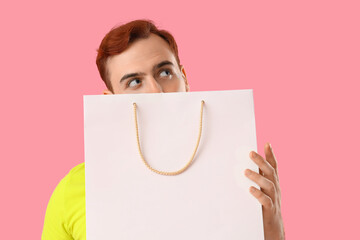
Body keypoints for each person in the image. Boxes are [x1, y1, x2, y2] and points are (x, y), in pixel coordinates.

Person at [42, 19, 285, 240]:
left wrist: (272, 227)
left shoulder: (240, 173)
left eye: (165, 72)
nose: (156, 91)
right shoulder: (74, 189)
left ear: (185, 79)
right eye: (134, 82)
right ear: (110, 100)